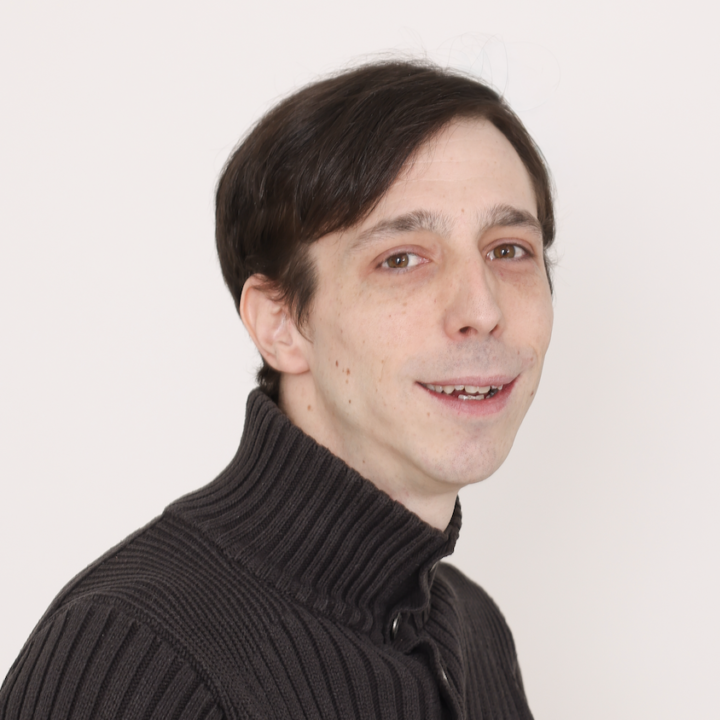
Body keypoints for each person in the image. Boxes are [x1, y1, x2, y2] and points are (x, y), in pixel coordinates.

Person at [0, 59, 554, 720]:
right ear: (281, 323)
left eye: (509, 250)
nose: (482, 310)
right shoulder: (129, 655)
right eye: (401, 258)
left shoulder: (473, 630)